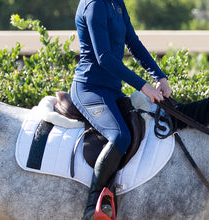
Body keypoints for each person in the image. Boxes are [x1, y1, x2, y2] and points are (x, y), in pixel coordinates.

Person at [70, 0, 171, 219]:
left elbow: (133, 43)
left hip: (112, 90)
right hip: (89, 89)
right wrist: (143, 86)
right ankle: (91, 207)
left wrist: (159, 76)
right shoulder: (95, 4)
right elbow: (104, 57)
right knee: (120, 136)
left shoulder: (117, 3)